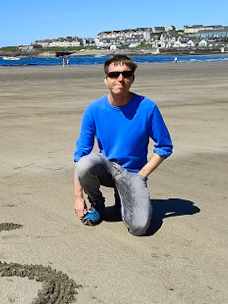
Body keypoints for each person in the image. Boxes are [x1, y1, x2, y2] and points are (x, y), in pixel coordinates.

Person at [73, 55, 173, 235]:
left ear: (132, 79)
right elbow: (80, 154)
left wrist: (141, 176)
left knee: (139, 228)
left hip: (133, 173)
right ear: (106, 79)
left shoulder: (147, 107)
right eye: (114, 74)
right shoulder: (94, 109)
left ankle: (123, 200)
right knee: (85, 164)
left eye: (126, 74)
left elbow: (164, 147)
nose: (120, 79)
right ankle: (97, 203)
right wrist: (78, 197)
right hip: (107, 168)